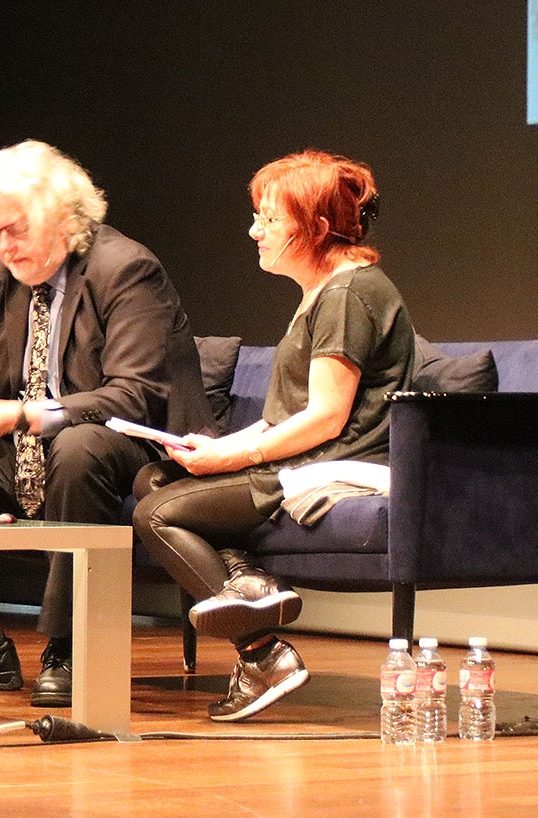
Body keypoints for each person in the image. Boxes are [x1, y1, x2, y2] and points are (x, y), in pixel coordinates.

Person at [0, 140, 212, 708]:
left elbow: (134, 396)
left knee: (79, 448)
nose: (1, 246)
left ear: (65, 218)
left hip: (126, 454)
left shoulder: (125, 268)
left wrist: (20, 414)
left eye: (15, 230)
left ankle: (70, 647)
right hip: (32, 456)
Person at [132, 151, 414, 721]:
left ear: (314, 227)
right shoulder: (321, 293)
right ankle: (247, 581)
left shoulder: (348, 294)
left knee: (157, 513)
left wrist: (238, 455)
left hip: (338, 462)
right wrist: (215, 449)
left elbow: (327, 419)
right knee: (157, 474)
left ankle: (261, 652)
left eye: (269, 218)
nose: (254, 230)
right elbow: (291, 408)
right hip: (310, 454)